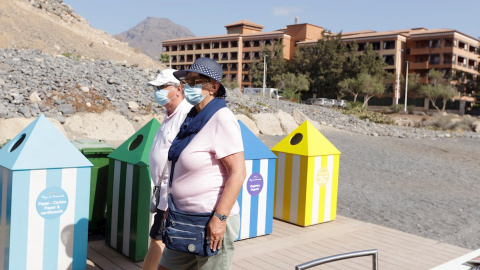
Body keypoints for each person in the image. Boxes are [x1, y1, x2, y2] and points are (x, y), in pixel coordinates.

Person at [159, 57, 246, 270]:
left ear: (213, 87)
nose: (187, 87)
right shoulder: (193, 119)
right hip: (183, 218)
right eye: (186, 82)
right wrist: (173, 204)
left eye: (195, 82)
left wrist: (220, 218)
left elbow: (238, 172)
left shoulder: (221, 119)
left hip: (209, 222)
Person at [143, 69, 193, 270]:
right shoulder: (169, 114)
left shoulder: (186, 115)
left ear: (179, 89)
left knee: (158, 242)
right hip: (164, 193)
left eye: (162, 87)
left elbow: (186, 161)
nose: (157, 91)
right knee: (162, 243)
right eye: (156, 88)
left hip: (171, 197)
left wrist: (172, 200)